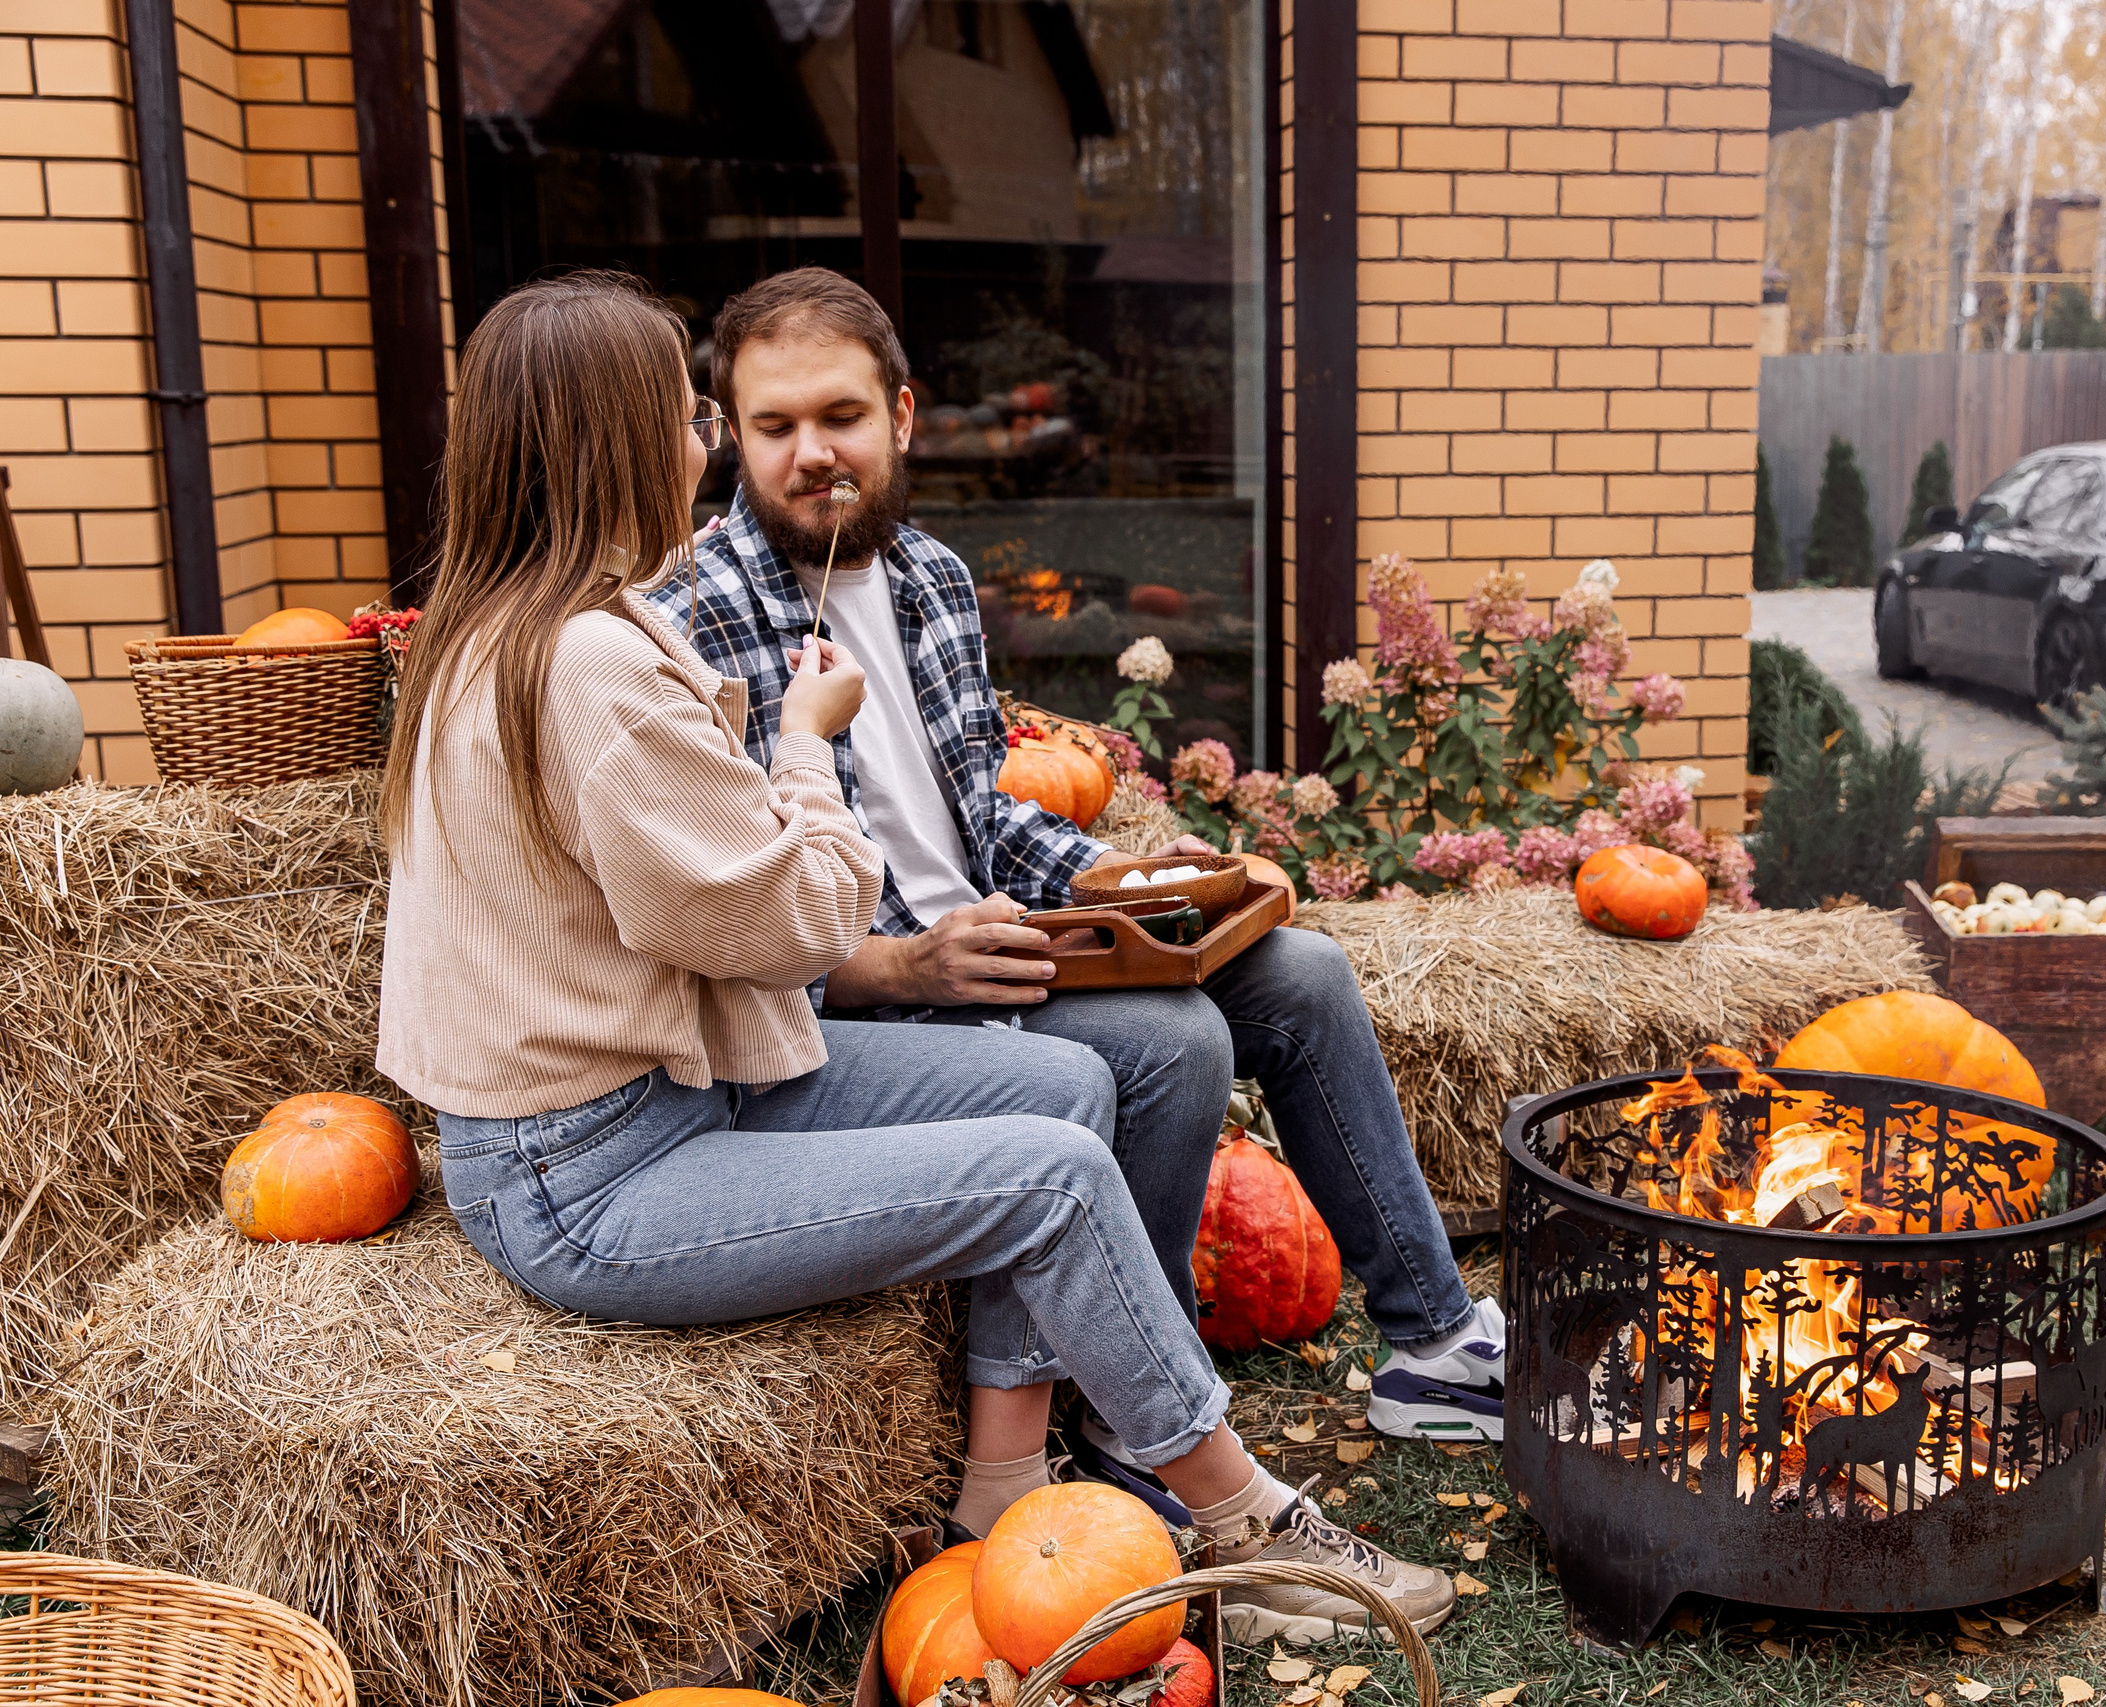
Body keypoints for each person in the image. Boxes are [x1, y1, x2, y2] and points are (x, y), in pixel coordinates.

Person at [376, 271, 1455, 1644]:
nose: (702, 442)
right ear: (613, 439)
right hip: (593, 1168)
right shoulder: (590, 661)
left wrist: (1124, 879)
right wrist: (811, 741)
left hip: (657, 1094)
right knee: (1055, 1166)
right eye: (696, 412)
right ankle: (1243, 1522)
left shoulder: (512, 631)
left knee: (1065, 1087)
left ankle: (998, 1483)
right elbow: (799, 921)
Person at [653, 268, 1507, 1479]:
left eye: (838, 418)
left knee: (1302, 974)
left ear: (901, 416)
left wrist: (1128, 877)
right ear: (730, 436)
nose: (809, 456)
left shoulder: (931, 581)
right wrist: (903, 966)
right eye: (773, 427)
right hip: (858, 1009)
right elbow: (733, 907)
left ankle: (1433, 1341)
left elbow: (979, 818)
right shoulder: (690, 615)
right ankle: (1131, 1411)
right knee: (1174, 1045)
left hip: (1002, 943)